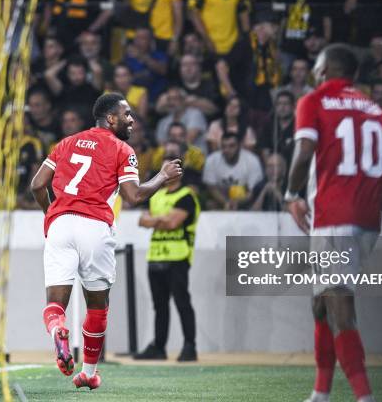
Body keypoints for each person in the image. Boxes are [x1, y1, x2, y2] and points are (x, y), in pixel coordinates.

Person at [284, 44, 382, 402]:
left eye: (316, 66)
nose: (314, 72)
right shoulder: (374, 109)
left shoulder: (314, 100)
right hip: (367, 220)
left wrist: (290, 194)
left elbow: (302, 154)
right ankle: (320, 393)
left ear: (326, 68)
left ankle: (364, 397)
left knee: (340, 308)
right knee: (321, 303)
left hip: (334, 219)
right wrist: (376, 187)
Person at [30, 93, 182, 390]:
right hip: (95, 227)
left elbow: (37, 184)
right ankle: (88, 372)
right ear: (110, 118)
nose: (131, 120)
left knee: (55, 305)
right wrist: (162, 176)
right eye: (127, 115)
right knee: (97, 306)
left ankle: (58, 330)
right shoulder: (122, 149)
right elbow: (134, 196)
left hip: (60, 224)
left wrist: (53, 215)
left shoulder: (66, 142)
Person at [134, 140, 200, 362]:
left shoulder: (187, 196)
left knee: (182, 302)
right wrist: (158, 220)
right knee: (159, 305)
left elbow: (172, 223)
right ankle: (159, 347)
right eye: (163, 169)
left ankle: (190, 346)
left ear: (178, 171)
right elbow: (141, 220)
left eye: (170, 169)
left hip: (178, 256)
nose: (166, 173)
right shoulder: (158, 195)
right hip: (156, 256)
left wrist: (155, 220)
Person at [202, 132, 263, 210]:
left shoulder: (252, 160)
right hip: (221, 200)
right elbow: (211, 188)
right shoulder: (212, 160)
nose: (227, 150)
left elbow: (253, 191)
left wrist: (237, 202)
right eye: (224, 146)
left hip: (246, 201)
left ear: (239, 146)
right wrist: (226, 202)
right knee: (210, 203)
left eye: (231, 146)